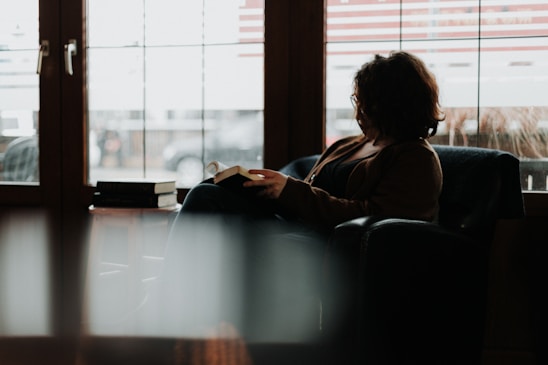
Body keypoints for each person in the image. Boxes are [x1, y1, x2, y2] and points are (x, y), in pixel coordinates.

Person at [178, 50, 444, 236]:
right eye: (357, 100)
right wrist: (269, 188)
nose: (358, 109)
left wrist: (291, 191)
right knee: (211, 188)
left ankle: (169, 299)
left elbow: (375, 218)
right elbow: (309, 192)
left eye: (363, 101)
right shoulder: (351, 144)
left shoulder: (415, 158)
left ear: (388, 105)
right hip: (294, 223)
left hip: (322, 238)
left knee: (207, 199)